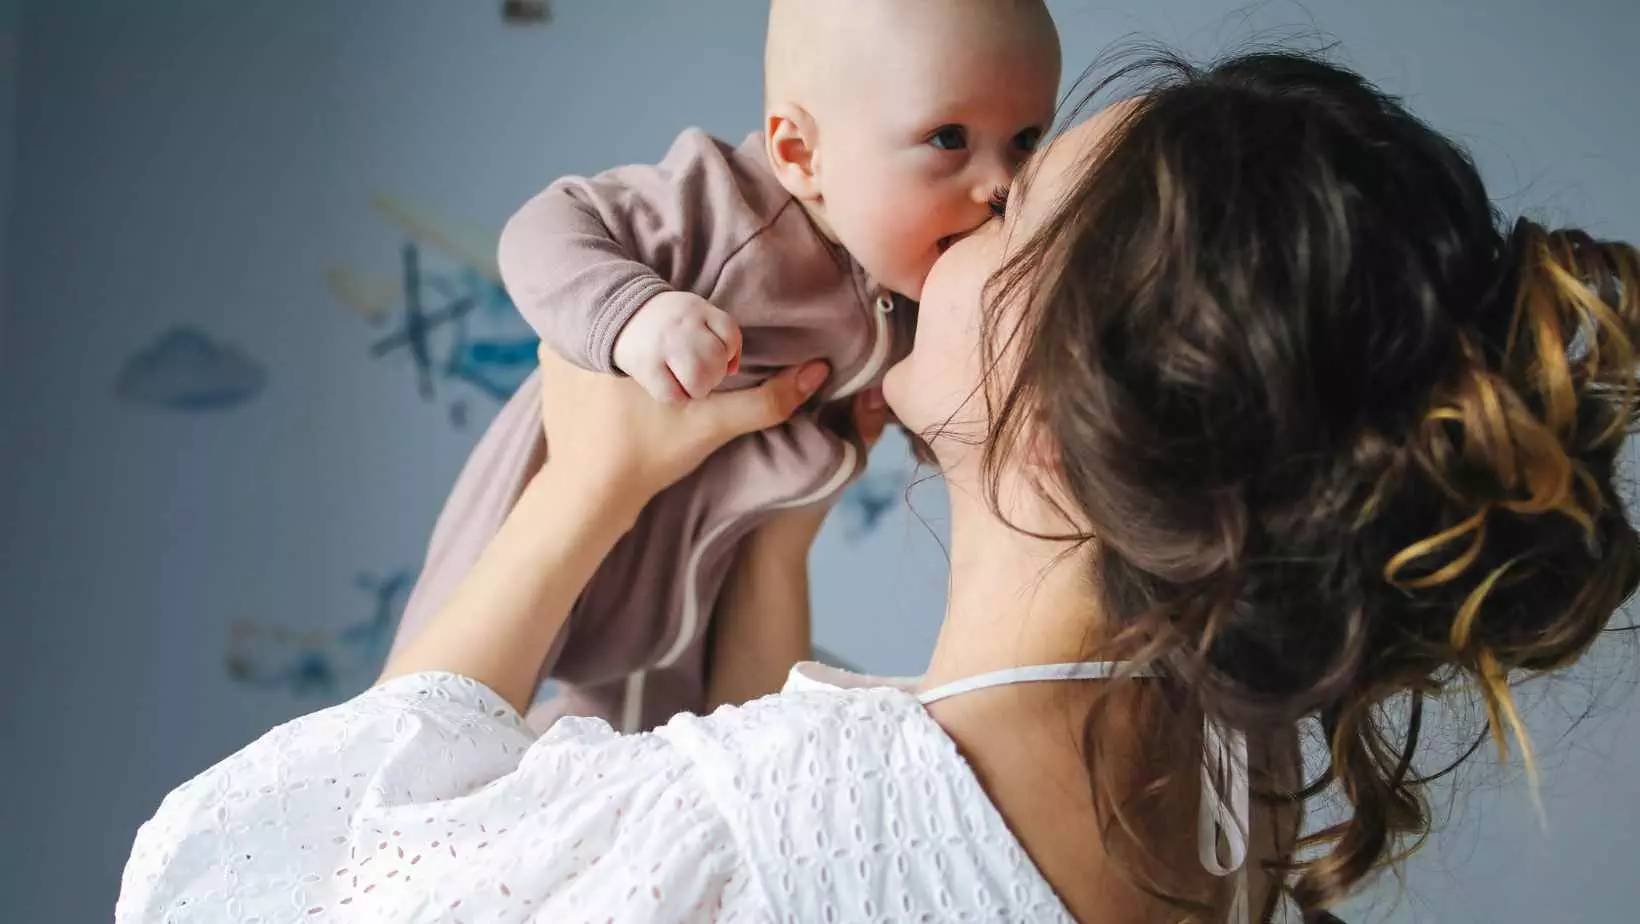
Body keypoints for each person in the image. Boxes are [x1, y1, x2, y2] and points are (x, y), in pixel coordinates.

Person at [116, 51, 1640, 923]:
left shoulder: (773, 829)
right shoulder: (1225, 779)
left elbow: (254, 884)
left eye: (1014, 197)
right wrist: (776, 530)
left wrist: (577, 492)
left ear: (1054, 415)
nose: (955, 217)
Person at [386, 0, 1062, 734]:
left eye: (1026, 142)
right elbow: (545, 227)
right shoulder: (726, 209)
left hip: (700, 570)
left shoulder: (911, 286)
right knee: (436, 719)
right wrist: (634, 313)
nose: (1001, 184)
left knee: (652, 739)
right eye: (949, 138)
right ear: (802, 154)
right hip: (554, 502)